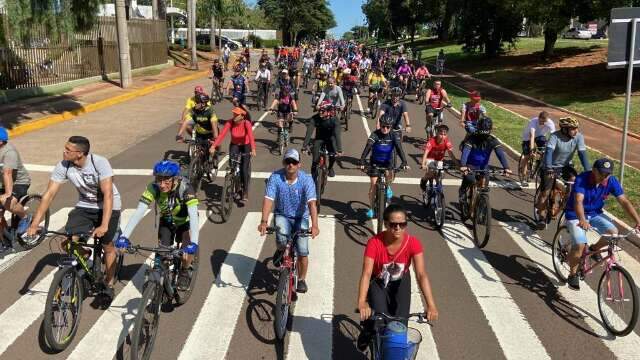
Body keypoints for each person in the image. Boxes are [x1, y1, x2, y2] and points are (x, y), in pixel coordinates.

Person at [26, 136, 121, 304]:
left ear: (79, 154)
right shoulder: (63, 165)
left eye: (68, 150)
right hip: (85, 206)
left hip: (108, 206)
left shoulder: (99, 163)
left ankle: (110, 282)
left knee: (108, 246)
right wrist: (35, 223)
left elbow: (107, 195)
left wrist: (104, 225)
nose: (64, 152)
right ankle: (84, 255)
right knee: (67, 242)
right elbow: (49, 195)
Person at [356, 204, 439, 351]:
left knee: (400, 326)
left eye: (402, 224)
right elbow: (367, 273)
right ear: (386, 224)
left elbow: (421, 274)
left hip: (401, 282)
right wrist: (362, 302)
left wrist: (431, 305)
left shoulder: (413, 243)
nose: (398, 228)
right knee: (379, 320)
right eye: (394, 225)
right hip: (379, 282)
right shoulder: (374, 243)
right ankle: (368, 329)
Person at [115, 160, 200, 289]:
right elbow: (139, 212)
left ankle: (185, 270)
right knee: (162, 253)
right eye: (158, 180)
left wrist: (194, 242)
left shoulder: (186, 188)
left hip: (185, 222)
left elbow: (193, 216)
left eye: (166, 180)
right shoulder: (153, 188)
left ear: (175, 179)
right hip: (167, 221)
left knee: (185, 252)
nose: (161, 184)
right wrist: (124, 236)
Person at [563, 158, 640, 290]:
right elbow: (578, 201)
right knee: (580, 245)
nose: (605, 176)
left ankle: (593, 250)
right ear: (594, 171)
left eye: (608, 174)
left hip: (595, 213)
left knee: (613, 233)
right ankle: (572, 274)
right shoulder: (582, 179)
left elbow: (624, 202)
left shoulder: (611, 181)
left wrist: (638, 221)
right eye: (602, 173)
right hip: (575, 214)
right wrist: (581, 219)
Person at [258, 149, 320, 294]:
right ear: (283, 163)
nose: (290, 165)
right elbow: (268, 200)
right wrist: (264, 221)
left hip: (301, 217)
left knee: (303, 251)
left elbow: (312, 203)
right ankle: (280, 251)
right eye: (288, 161)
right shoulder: (275, 177)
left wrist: (315, 225)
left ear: (299, 164)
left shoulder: (307, 180)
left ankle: (302, 279)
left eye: (294, 162)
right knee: (281, 238)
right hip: (282, 215)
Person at [535, 117, 590, 229]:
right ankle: (541, 216)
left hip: (566, 166)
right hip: (550, 166)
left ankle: (566, 201)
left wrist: (588, 170)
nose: (576, 131)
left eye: (577, 128)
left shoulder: (578, 137)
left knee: (574, 180)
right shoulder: (555, 136)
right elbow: (549, 152)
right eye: (573, 129)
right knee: (546, 192)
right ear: (565, 129)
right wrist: (549, 167)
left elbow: (582, 154)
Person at [360, 116, 408, 219]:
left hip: (388, 162)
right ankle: (372, 208)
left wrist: (404, 162)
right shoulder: (375, 134)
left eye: (388, 127)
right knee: (373, 185)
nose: (385, 129)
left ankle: (388, 186)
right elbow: (368, 147)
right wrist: (362, 160)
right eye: (383, 126)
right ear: (380, 125)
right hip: (375, 162)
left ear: (391, 127)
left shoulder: (394, 135)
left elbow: (399, 149)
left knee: (390, 177)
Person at [458, 117, 512, 204]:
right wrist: (463, 165)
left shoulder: (492, 140)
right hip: (470, 165)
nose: (484, 137)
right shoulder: (472, 139)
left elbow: (500, 153)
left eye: (486, 134)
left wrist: (506, 167)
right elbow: (465, 152)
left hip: (484, 166)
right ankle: (462, 190)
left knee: (484, 188)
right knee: (470, 179)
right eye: (482, 133)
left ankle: (481, 206)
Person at [210, 107, 257, 202]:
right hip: (234, 145)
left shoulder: (246, 123)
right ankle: (235, 184)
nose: (234, 116)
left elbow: (251, 137)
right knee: (232, 165)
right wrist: (213, 146)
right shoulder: (230, 122)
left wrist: (253, 149)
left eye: (236, 115)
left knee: (244, 168)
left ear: (242, 116)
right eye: (233, 114)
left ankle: (245, 191)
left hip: (245, 145)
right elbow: (222, 135)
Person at [0, 127, 32, 249]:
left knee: (6, 201)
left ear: (1, 141)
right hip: (2, 182)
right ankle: (5, 236)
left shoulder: (9, 153)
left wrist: (8, 193)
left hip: (19, 182)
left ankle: (25, 217)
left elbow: (7, 173)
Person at [302, 100, 343, 179]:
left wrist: (339, 149)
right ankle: (313, 178)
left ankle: (330, 168)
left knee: (333, 155)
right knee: (315, 160)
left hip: (331, 138)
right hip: (319, 138)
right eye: (319, 110)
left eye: (322, 111)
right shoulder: (315, 118)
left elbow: (337, 135)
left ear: (328, 112)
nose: (320, 112)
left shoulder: (334, 120)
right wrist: (304, 146)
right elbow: (309, 133)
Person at [519, 111, 555, 185]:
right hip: (528, 138)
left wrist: (550, 148)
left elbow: (553, 137)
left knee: (545, 150)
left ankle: (538, 163)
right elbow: (532, 136)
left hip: (540, 137)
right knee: (527, 156)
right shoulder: (533, 122)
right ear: (539, 118)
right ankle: (523, 177)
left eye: (545, 122)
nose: (543, 123)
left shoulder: (550, 123)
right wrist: (532, 150)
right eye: (541, 121)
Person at [420, 124, 456, 192]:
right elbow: (426, 153)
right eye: (441, 134)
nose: (442, 136)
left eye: (444, 135)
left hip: (439, 160)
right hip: (430, 159)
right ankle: (423, 180)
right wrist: (423, 164)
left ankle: (438, 194)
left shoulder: (447, 142)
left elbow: (451, 154)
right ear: (437, 133)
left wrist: (457, 165)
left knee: (440, 176)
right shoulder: (431, 141)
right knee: (430, 172)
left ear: (447, 135)